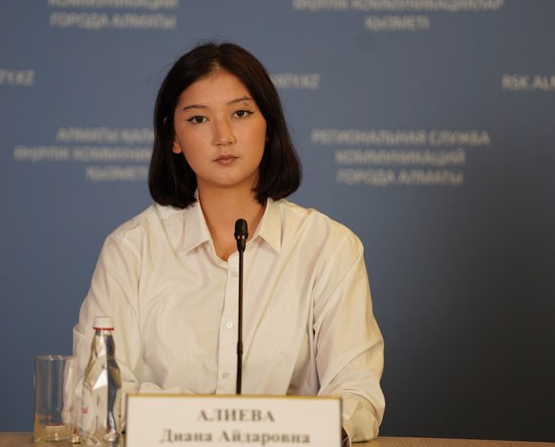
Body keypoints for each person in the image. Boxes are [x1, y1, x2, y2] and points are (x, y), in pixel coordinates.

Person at [73, 42, 385, 442]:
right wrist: (216, 426)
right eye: (199, 119)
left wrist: (295, 432)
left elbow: (356, 391)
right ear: (173, 137)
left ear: (268, 125)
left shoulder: (329, 247)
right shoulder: (131, 249)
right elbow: (95, 391)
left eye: (240, 113)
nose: (223, 136)